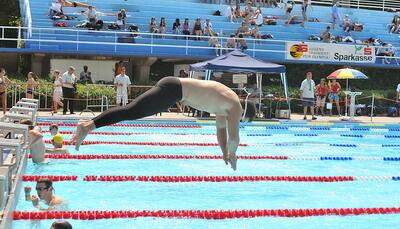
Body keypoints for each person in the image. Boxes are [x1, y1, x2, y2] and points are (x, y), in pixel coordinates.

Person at [71, 77, 257, 170]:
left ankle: (88, 125)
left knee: (132, 111)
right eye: (241, 121)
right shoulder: (235, 107)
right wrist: (233, 154)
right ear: (243, 114)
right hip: (174, 90)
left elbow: (221, 132)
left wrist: (224, 152)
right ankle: (87, 126)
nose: (237, 121)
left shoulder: (227, 104)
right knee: (132, 111)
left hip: (173, 88)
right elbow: (234, 136)